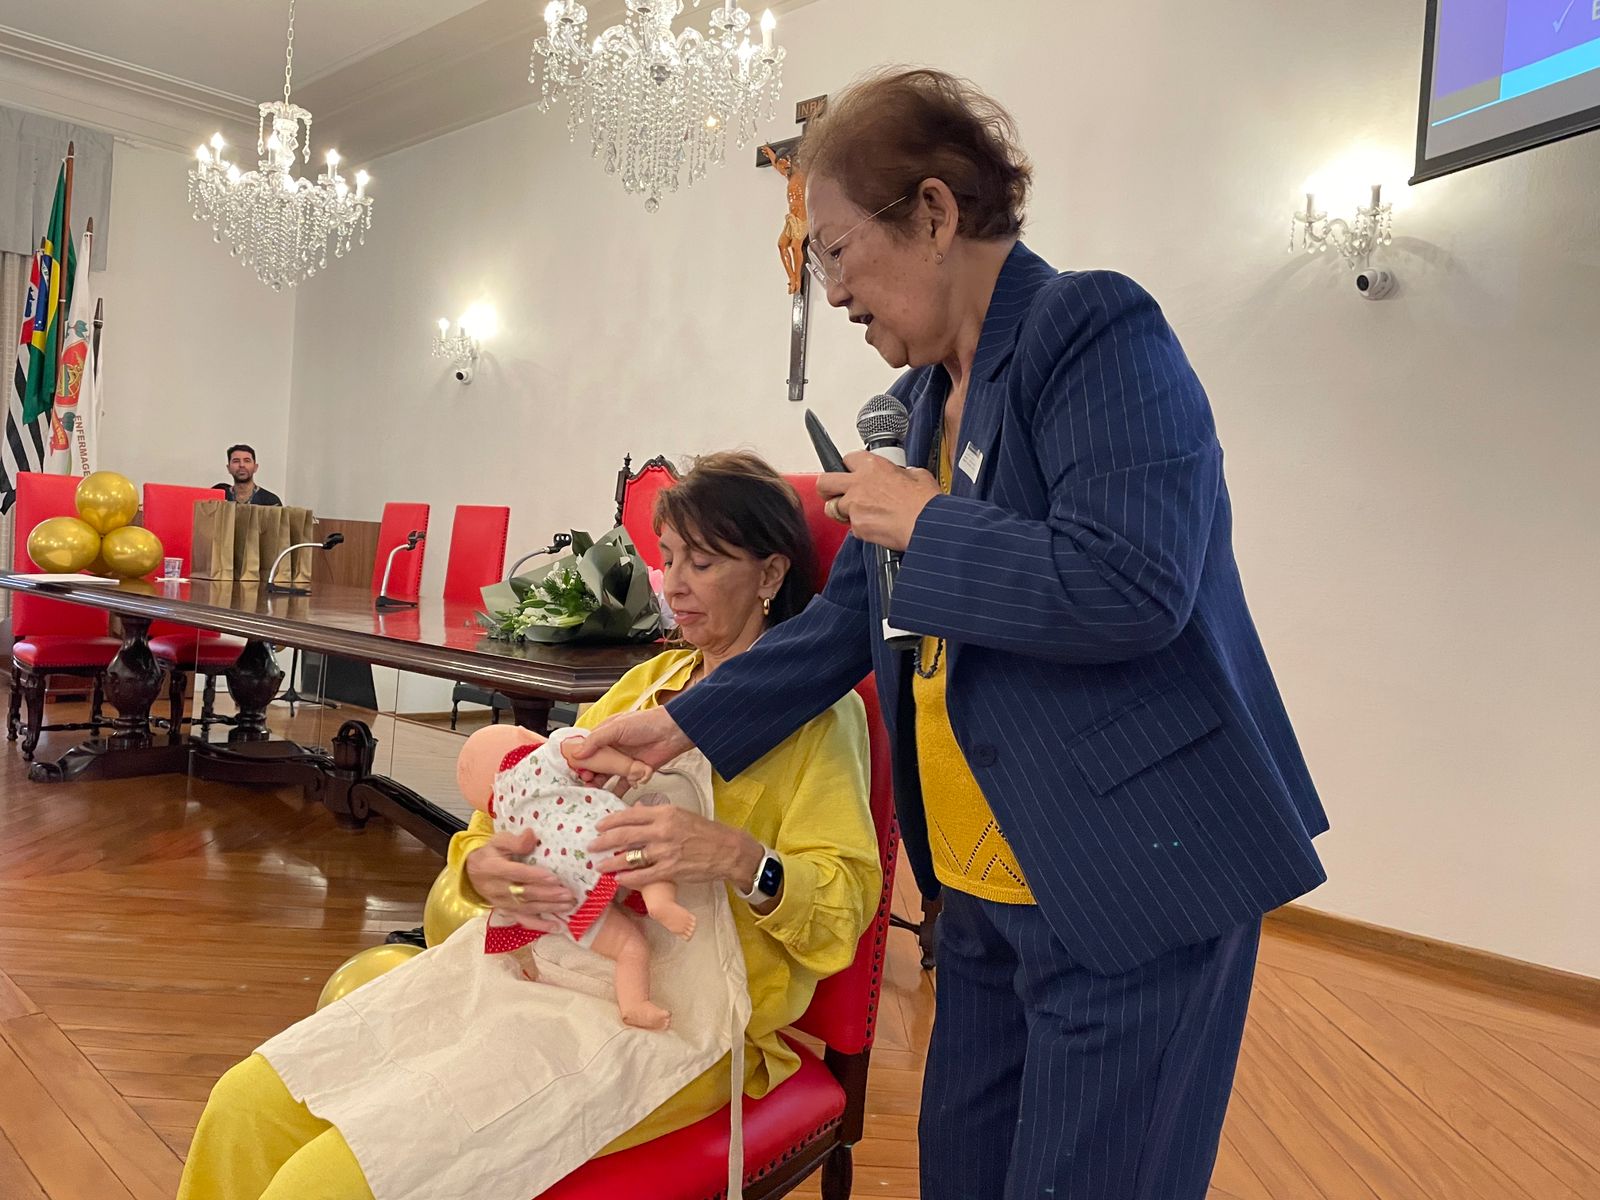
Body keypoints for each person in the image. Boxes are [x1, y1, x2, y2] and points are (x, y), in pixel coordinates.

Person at [574, 68, 1330, 1200]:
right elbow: (847, 620)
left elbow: (1134, 585)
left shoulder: (1092, 327)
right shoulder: (926, 403)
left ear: (933, 213)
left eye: (835, 250)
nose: (832, 291)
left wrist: (926, 522)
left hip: (1132, 871)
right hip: (979, 885)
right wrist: (680, 724)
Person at [176, 452, 880, 1200]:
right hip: (538, 970)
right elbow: (520, 805)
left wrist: (739, 857)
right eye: (669, 558)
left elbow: (843, 908)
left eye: (702, 564)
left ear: (771, 575)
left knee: (328, 1185)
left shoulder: (821, 719)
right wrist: (482, 868)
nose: (674, 584)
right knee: (244, 1106)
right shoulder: (644, 686)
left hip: (675, 1022)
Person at [213, 443, 282, 506]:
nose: (242, 465)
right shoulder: (218, 499)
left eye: (247, 461)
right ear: (228, 468)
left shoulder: (271, 501)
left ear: (255, 467)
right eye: (236, 461)